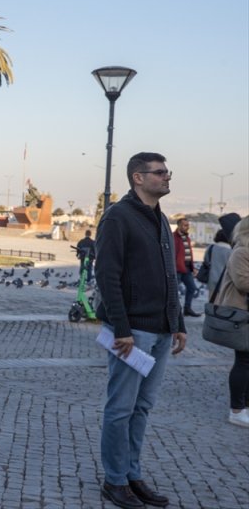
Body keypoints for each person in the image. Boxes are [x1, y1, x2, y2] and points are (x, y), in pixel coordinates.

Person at [95, 152, 186, 509]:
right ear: (138, 177)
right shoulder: (118, 217)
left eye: (167, 172)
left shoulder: (159, 218)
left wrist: (177, 323)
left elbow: (169, 275)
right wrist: (121, 328)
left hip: (161, 331)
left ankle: (132, 475)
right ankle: (114, 481)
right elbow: (108, 277)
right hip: (132, 331)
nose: (167, 178)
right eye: (160, 172)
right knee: (120, 408)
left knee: (142, 408)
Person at [211, 216, 249, 428]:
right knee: (243, 362)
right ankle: (236, 409)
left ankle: (245, 406)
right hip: (241, 315)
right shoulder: (241, 252)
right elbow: (243, 282)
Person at [206, 212, 240, 295]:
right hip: (226, 281)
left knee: (212, 301)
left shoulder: (211, 248)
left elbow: (207, 261)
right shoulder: (231, 251)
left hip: (212, 279)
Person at [174, 217, 200, 317]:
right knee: (173, 291)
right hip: (177, 269)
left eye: (188, 225)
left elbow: (189, 254)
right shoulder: (173, 237)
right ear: (179, 225)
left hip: (187, 269)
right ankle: (175, 311)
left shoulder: (187, 238)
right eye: (185, 225)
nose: (187, 227)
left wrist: (193, 267)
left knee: (192, 288)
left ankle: (187, 309)